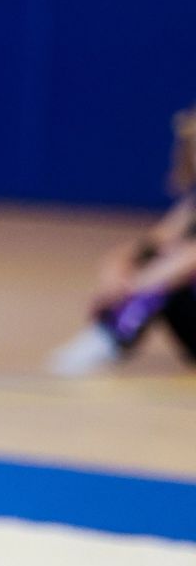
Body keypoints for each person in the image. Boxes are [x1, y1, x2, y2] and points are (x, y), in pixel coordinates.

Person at [50, 104, 196, 375]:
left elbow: (190, 258)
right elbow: (151, 243)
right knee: (154, 258)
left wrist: (137, 286)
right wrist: (117, 269)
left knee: (172, 268)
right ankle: (109, 333)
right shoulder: (191, 205)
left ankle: (112, 337)